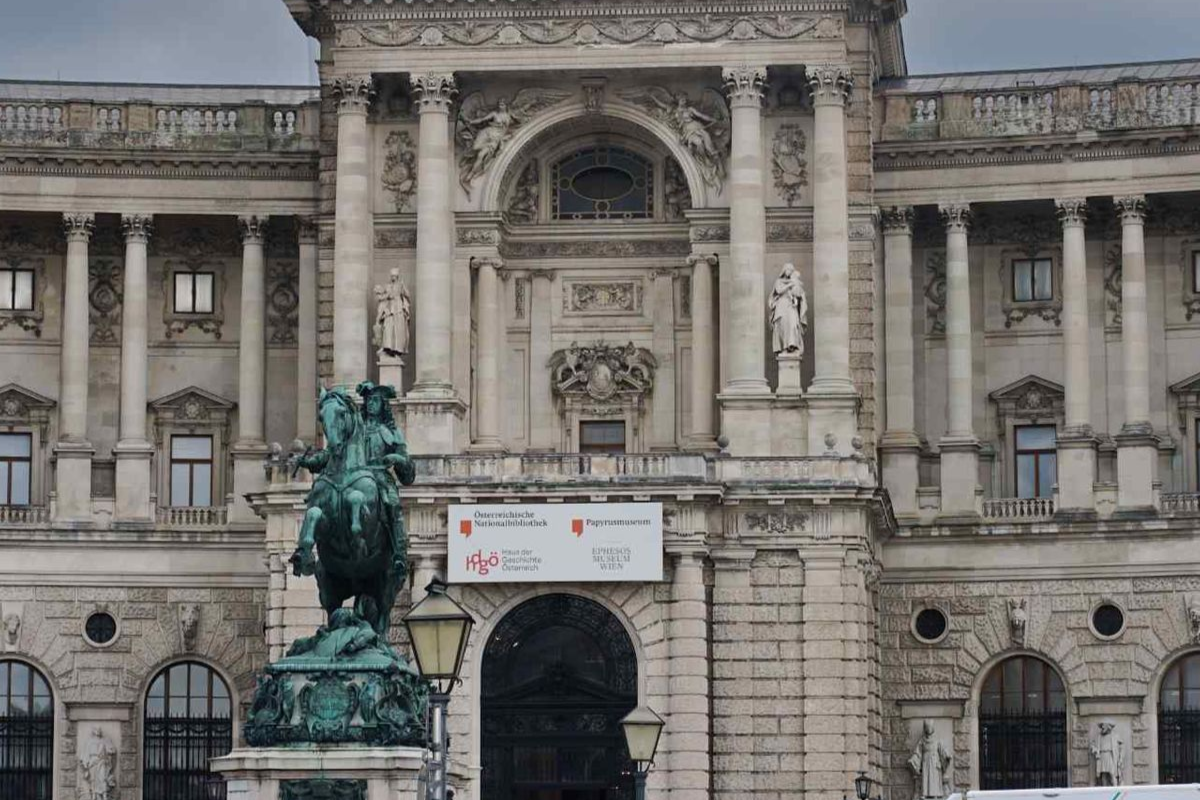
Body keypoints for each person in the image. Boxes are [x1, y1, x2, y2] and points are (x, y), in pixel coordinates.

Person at [769, 263, 808, 356]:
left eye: (791, 270)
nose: (789, 272)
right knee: (782, 326)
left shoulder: (794, 281)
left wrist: (798, 295)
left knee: (793, 323)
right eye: (788, 270)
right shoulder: (779, 281)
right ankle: (784, 347)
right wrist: (789, 284)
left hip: (791, 305)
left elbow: (797, 294)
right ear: (784, 270)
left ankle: (792, 345)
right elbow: (779, 291)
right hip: (781, 305)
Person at [908, 720, 950, 800]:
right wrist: (913, 760)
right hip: (925, 762)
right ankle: (925, 794)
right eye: (927, 727)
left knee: (934, 780)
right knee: (926, 779)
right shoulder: (922, 740)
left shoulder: (937, 739)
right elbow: (918, 752)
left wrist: (946, 756)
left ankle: (935, 794)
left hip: (935, 762)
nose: (929, 729)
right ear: (925, 728)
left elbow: (942, 750)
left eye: (930, 727)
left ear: (932, 728)